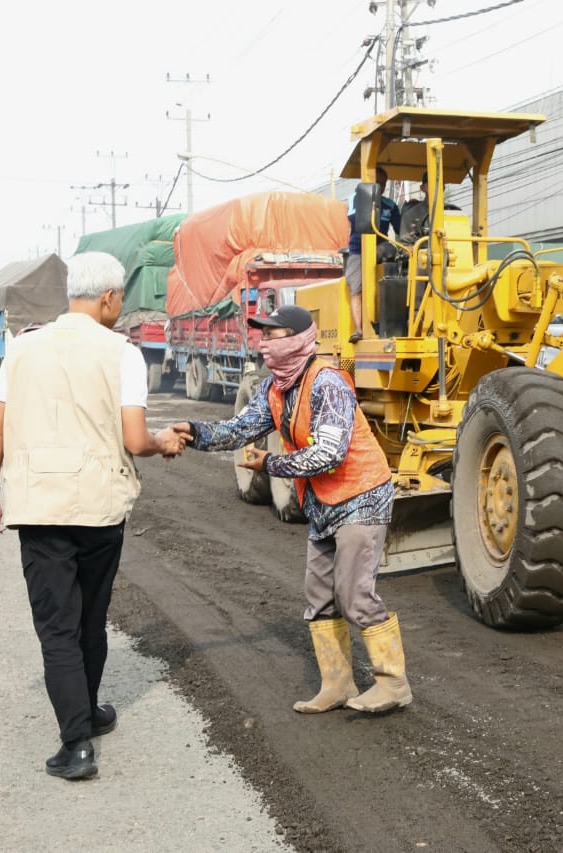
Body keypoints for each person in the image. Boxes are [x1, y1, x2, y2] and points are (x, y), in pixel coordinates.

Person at [0, 251, 186, 781]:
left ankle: (77, 745)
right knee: (91, 618)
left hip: (39, 508)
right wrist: (163, 443)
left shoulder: (21, 349)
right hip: (98, 507)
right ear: (110, 297)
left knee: (57, 628)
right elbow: (135, 440)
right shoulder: (123, 353)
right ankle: (87, 715)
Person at [171, 304, 413, 716]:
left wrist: (271, 464)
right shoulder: (276, 388)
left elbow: (329, 454)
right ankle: (336, 684)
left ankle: (393, 683)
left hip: (361, 496)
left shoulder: (328, 383)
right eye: (263, 335)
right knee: (319, 596)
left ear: (300, 338)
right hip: (323, 504)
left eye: (275, 334)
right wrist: (194, 433)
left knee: (354, 594)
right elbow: (238, 430)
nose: (266, 343)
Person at [346, 166, 401, 344]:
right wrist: (369, 203)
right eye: (377, 182)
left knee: (392, 256)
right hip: (359, 250)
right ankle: (360, 330)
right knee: (357, 289)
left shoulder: (390, 205)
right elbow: (356, 221)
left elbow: (400, 229)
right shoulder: (355, 199)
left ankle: (392, 321)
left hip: (381, 247)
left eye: (383, 183)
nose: (381, 186)